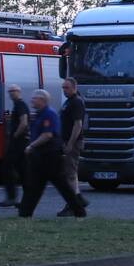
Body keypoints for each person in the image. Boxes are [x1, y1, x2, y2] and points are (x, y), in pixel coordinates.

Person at [17, 89, 86, 218]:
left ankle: (79, 210)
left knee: (62, 186)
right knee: (34, 186)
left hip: (50, 156)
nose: (32, 100)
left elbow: (47, 135)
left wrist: (31, 146)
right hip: (39, 156)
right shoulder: (38, 114)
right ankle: (25, 213)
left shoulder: (49, 114)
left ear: (42, 100)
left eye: (35, 98)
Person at [57, 77, 89, 216]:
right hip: (67, 140)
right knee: (71, 172)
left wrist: (70, 144)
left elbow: (78, 125)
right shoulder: (69, 102)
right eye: (63, 88)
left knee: (69, 174)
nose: (64, 90)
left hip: (73, 142)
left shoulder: (76, 102)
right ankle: (78, 198)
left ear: (74, 87)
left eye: (67, 88)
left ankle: (71, 205)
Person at [0, 84, 29, 208]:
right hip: (20, 143)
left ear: (18, 91)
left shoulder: (20, 105)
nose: (11, 93)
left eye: (13, 91)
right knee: (23, 171)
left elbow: (24, 122)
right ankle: (24, 199)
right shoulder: (18, 105)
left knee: (7, 168)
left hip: (18, 143)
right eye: (9, 91)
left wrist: (15, 135)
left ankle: (12, 198)